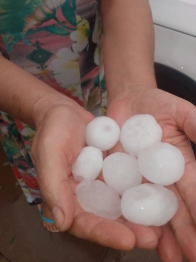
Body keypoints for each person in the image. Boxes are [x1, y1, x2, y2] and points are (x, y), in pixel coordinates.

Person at [0, 0, 196, 261]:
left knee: (63, 155)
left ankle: (57, 200)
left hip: (92, 73)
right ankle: (48, 199)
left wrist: (132, 86)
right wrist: (41, 106)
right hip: (14, 93)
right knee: (44, 156)